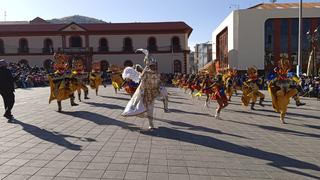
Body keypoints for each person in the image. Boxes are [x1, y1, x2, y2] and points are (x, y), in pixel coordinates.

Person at [122, 49, 162, 130]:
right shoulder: (146, 72)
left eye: (155, 65)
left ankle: (151, 124)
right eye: (152, 65)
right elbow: (142, 80)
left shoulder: (157, 73)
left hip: (152, 94)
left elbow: (158, 82)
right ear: (149, 65)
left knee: (151, 109)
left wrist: (158, 90)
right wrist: (142, 90)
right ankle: (138, 112)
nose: (154, 67)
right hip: (144, 93)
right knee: (140, 108)